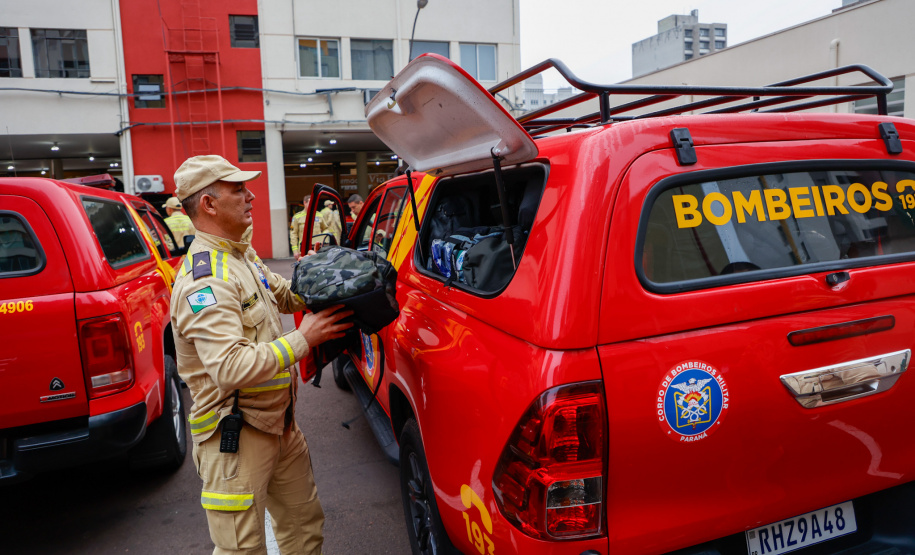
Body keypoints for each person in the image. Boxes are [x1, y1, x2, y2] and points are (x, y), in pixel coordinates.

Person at [169, 155, 353, 555]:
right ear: (209, 205)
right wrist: (304, 339)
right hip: (234, 438)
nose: (251, 195)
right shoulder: (207, 280)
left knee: (304, 531)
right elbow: (230, 367)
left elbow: (284, 297)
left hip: (280, 425)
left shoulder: (242, 255)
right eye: (239, 189)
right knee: (243, 550)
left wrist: (321, 276)